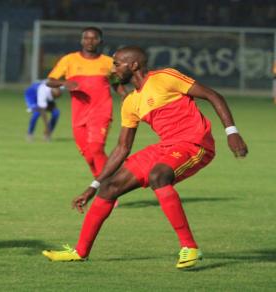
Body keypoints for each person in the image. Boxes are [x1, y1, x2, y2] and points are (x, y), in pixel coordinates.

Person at [42, 46, 248, 269]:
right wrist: (93, 185)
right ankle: (80, 252)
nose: (113, 68)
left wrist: (232, 132)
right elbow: (122, 148)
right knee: (110, 187)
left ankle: (189, 247)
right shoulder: (130, 102)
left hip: (194, 143)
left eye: (117, 63)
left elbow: (213, 95)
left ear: (134, 65)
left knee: (158, 175)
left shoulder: (165, 77)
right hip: (165, 146)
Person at [47, 27, 126, 178]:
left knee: (96, 148)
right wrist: (64, 83)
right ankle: (102, 181)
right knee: (89, 156)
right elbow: (50, 81)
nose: (90, 41)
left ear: (100, 41)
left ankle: (108, 188)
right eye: (86, 38)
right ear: (81, 40)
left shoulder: (108, 62)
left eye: (94, 38)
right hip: (79, 114)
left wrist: (124, 96)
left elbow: (116, 83)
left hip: (101, 111)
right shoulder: (69, 60)